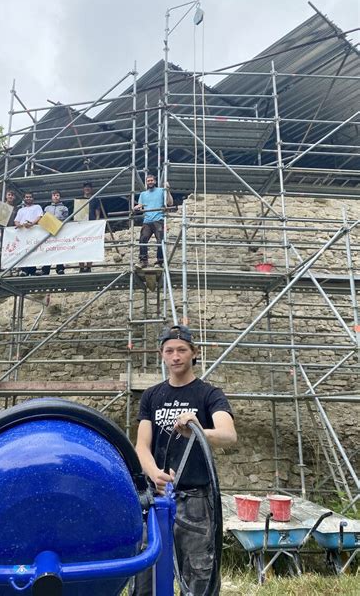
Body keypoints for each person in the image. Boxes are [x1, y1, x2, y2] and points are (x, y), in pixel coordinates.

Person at [133, 325, 236, 596]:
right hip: (154, 500)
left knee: (199, 575)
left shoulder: (209, 394)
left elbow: (228, 435)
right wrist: (154, 472)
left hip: (196, 501)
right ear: (162, 355)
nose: (175, 356)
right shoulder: (152, 396)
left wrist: (198, 429)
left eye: (181, 350)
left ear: (193, 353)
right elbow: (141, 446)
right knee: (146, 574)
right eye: (169, 351)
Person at [134, 174, 173, 268]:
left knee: (160, 240)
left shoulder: (160, 191)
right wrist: (136, 207)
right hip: (147, 220)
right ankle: (143, 261)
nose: (150, 182)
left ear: (155, 182)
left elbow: (170, 203)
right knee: (143, 239)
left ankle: (160, 262)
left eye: (152, 180)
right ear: (146, 182)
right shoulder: (143, 194)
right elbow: (140, 205)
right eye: (148, 181)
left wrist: (167, 190)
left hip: (158, 219)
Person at [14, 191, 44, 276]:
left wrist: (32, 224)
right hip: (24, 234)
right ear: (24, 199)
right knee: (24, 251)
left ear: (33, 199)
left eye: (30, 197)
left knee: (34, 250)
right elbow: (16, 221)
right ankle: (24, 270)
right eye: (27, 197)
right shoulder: (21, 210)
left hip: (34, 232)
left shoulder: (37, 207)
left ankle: (33, 270)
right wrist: (19, 225)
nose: (28, 198)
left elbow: (39, 216)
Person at [41, 189, 69, 275]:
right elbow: (43, 218)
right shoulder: (47, 208)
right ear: (51, 197)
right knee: (48, 249)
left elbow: (66, 218)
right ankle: (46, 269)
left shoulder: (64, 208)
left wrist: (56, 220)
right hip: (48, 231)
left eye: (57, 195)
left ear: (59, 197)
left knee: (59, 248)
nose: (55, 197)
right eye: (54, 195)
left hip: (59, 231)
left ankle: (60, 268)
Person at [78, 181, 101, 273]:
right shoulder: (79, 200)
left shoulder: (95, 200)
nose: (87, 189)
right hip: (82, 225)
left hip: (91, 225)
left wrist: (96, 223)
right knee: (80, 246)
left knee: (90, 246)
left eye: (89, 187)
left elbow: (97, 212)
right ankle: (81, 267)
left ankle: (88, 267)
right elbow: (77, 213)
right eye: (85, 187)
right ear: (83, 189)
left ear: (91, 189)